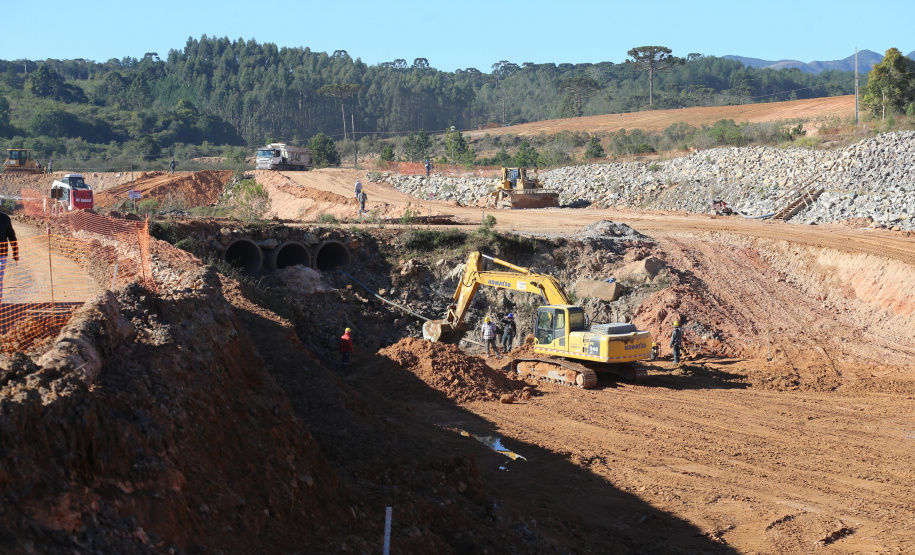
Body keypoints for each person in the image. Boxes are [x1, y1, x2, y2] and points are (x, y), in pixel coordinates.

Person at [0, 212, 19, 303]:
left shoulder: (5, 218)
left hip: (1, 254)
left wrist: (15, 252)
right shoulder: (5, 218)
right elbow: (12, 236)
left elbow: (11, 236)